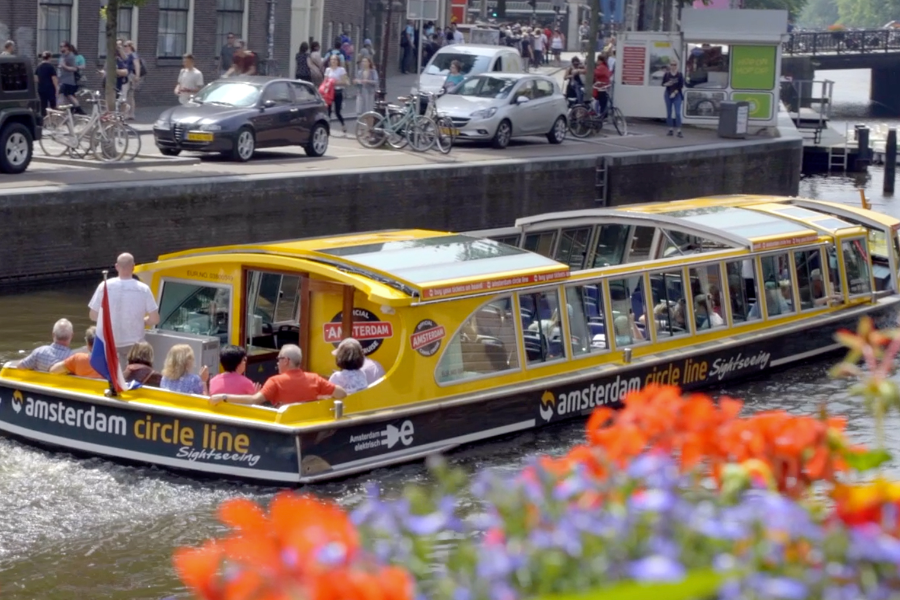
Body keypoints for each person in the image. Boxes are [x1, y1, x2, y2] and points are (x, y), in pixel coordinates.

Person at [208, 344, 346, 407]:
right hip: (307, 429)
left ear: (286, 361)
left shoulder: (275, 381)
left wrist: (223, 397)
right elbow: (342, 393)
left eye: (279, 359)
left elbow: (254, 400)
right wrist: (320, 400)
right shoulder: (315, 379)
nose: (277, 363)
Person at [88, 253, 160, 356]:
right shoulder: (144, 289)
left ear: (117, 267)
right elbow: (155, 319)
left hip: (110, 344)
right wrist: (143, 321)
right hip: (135, 346)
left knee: (112, 372)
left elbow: (93, 316)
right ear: (133, 267)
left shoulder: (104, 286)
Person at [324, 54, 349, 135]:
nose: (333, 61)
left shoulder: (341, 70)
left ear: (338, 61)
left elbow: (345, 82)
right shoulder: (328, 70)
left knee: (337, 111)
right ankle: (327, 128)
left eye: (335, 60)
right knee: (328, 111)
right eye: (332, 59)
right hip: (329, 92)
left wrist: (334, 82)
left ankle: (343, 124)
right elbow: (325, 81)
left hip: (338, 92)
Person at [662, 59, 684, 138]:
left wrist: (675, 92)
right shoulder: (667, 75)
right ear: (670, 66)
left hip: (677, 95)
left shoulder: (679, 75)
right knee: (669, 112)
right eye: (671, 65)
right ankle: (670, 129)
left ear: (677, 66)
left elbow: (681, 85)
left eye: (674, 65)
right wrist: (667, 84)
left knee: (678, 113)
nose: (673, 66)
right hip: (668, 94)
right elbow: (663, 84)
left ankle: (679, 130)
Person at [57, 42, 81, 113]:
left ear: (67, 47)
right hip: (63, 79)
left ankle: (59, 110)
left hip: (68, 80)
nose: (61, 48)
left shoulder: (71, 56)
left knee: (62, 94)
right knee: (68, 95)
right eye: (60, 46)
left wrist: (64, 66)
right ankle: (76, 108)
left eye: (62, 46)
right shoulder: (63, 56)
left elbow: (74, 69)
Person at [35, 51, 58, 117]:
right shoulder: (50, 67)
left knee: (43, 105)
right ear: (49, 58)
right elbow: (54, 78)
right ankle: (53, 119)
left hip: (41, 89)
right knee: (52, 104)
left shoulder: (39, 67)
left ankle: (44, 119)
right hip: (50, 88)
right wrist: (57, 88)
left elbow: (36, 78)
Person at [123, 40, 141, 119]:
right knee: (129, 96)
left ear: (130, 47)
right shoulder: (126, 55)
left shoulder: (133, 55)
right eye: (124, 46)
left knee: (128, 95)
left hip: (130, 77)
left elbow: (137, 65)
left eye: (126, 46)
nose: (124, 47)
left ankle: (129, 114)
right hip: (126, 76)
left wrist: (137, 75)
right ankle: (129, 114)